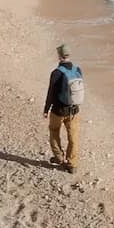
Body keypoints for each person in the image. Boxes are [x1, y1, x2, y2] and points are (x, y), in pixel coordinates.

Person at [43, 43, 84, 173]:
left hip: (58, 111)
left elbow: (51, 93)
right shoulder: (78, 70)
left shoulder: (56, 73)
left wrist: (46, 109)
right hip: (74, 110)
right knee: (73, 137)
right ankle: (72, 164)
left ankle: (59, 157)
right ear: (69, 54)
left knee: (54, 131)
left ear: (59, 56)